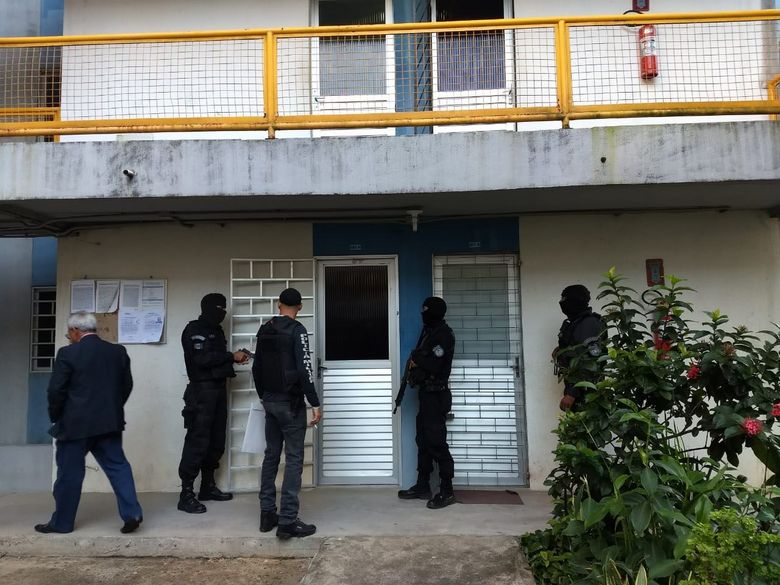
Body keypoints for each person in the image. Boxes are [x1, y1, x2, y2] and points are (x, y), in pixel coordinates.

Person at [35, 311, 143, 534]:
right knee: (118, 468)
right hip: (109, 423)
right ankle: (132, 513)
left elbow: (56, 390)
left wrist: (56, 416)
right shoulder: (117, 351)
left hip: (75, 426)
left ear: (75, 331)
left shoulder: (67, 353)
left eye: (69, 334)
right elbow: (126, 385)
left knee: (69, 475)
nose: (69, 337)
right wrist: (112, 409)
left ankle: (62, 523)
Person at [252, 288, 322, 539]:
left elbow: (256, 367)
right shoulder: (297, 330)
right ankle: (288, 521)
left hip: (270, 401)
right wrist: (314, 402)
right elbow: (305, 369)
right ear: (300, 307)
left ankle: (267, 514)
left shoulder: (265, 328)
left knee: (271, 456)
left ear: (278, 304)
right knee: (293, 459)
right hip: (290, 404)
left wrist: (263, 396)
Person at [177, 293, 249, 513]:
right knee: (197, 441)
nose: (223, 312)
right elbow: (201, 359)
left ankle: (207, 486)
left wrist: (234, 358)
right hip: (201, 392)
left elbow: (216, 359)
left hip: (218, 390)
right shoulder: (194, 329)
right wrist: (230, 356)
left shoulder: (216, 330)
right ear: (208, 307)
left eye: (224, 309)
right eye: (219, 308)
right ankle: (186, 494)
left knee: (216, 440)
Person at [397, 296, 456, 510]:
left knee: (436, 443)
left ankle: (447, 490)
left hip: (436, 396)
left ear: (434, 312)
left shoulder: (443, 335)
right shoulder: (429, 332)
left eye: (426, 310)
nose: (423, 314)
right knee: (422, 440)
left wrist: (417, 358)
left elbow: (436, 365)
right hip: (426, 395)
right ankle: (423, 485)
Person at [554, 284, 605, 412]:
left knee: (585, 422)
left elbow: (589, 362)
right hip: (577, 388)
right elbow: (575, 347)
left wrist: (572, 394)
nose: (562, 302)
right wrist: (561, 351)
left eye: (565, 299)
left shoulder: (588, 324)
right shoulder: (575, 322)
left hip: (586, 392)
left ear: (575, 301)